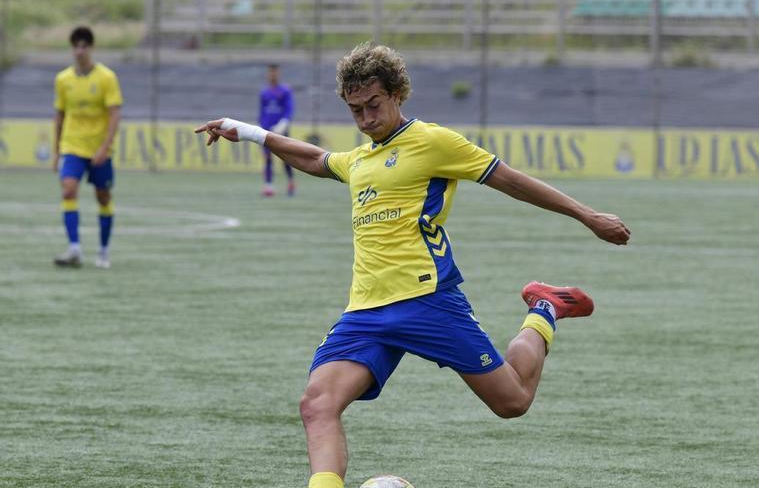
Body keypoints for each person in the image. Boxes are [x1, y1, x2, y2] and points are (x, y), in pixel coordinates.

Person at [196, 43, 631, 488]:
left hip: (428, 300)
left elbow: (511, 181)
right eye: (355, 110)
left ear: (397, 94)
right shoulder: (359, 159)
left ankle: (545, 308)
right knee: (317, 403)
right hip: (365, 311)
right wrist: (244, 130)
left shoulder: (432, 142)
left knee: (512, 401)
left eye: (374, 106)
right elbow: (313, 158)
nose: (366, 119)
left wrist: (588, 215)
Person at [52, 26, 123, 269]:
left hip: (99, 148)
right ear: (72, 49)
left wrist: (105, 147)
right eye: (76, 46)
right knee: (68, 190)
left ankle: (103, 251)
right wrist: (56, 151)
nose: (79, 51)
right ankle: (74, 249)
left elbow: (114, 114)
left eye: (84, 46)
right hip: (73, 145)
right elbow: (59, 115)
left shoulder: (106, 78)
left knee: (103, 197)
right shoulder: (63, 80)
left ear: (91, 48)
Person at [259, 63, 295, 196]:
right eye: (270, 72)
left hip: (281, 130)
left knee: (286, 158)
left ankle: (291, 181)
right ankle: (268, 185)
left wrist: (284, 123)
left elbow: (289, 109)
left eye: (274, 72)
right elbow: (262, 112)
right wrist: (262, 126)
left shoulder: (285, 91)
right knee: (267, 157)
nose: (272, 75)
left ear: (278, 74)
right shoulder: (264, 92)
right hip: (267, 130)